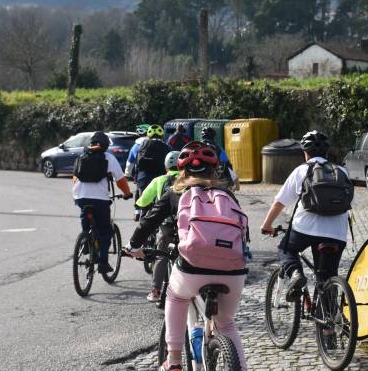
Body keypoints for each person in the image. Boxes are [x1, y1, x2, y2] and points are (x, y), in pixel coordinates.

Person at [126, 142, 248, 371]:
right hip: (234, 269)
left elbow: (148, 221)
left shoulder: (176, 192)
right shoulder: (227, 194)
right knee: (226, 324)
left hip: (193, 267)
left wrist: (133, 246)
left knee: (176, 296)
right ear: (215, 171)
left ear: (182, 171)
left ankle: (173, 361)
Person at [260, 130, 350, 300]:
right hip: (337, 232)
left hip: (305, 229)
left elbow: (280, 202)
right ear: (326, 152)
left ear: (305, 153)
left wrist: (266, 225)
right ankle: (328, 324)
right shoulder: (341, 172)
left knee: (285, 248)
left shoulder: (302, 170)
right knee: (327, 277)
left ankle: (295, 274)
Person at [73, 131, 133, 273]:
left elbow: (75, 178)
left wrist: (79, 195)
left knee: (86, 220)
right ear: (106, 145)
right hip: (100, 200)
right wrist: (127, 193)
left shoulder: (82, 156)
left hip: (80, 197)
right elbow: (120, 180)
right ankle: (103, 263)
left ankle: (86, 240)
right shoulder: (108, 158)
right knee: (105, 231)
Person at [133, 150, 181, 302]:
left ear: (166, 165)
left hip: (165, 224)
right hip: (184, 224)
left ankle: (155, 291)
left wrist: (140, 205)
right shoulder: (187, 180)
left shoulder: (159, 180)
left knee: (161, 255)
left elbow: (143, 201)